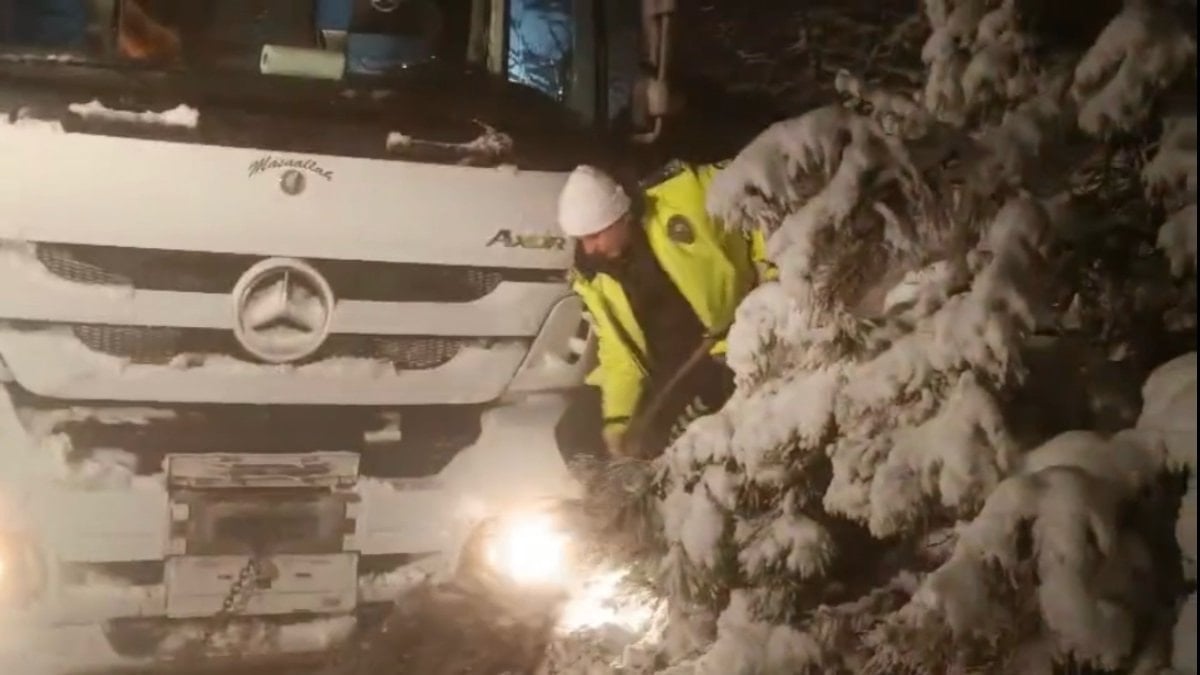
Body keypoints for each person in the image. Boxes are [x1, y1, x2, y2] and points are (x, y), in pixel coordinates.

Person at [558, 161, 773, 459]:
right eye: (582, 240)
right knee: (574, 433)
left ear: (621, 216)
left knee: (660, 442)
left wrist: (770, 271)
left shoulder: (685, 196)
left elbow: (758, 184)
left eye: (595, 236)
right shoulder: (597, 277)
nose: (589, 249)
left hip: (722, 350)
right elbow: (619, 354)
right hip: (661, 372)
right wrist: (618, 419)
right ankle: (613, 486)